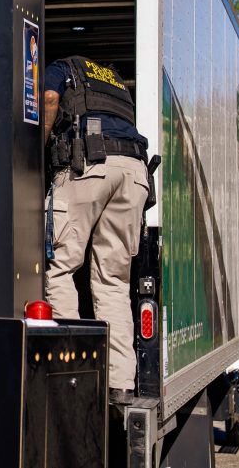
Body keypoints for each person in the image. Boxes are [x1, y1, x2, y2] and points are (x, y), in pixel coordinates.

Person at [42, 55, 149, 406]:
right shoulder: (116, 82)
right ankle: (119, 384)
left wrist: (37, 148)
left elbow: (49, 99)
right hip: (134, 174)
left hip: (90, 164)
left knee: (59, 268)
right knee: (113, 282)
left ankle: (73, 373)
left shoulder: (62, 69)